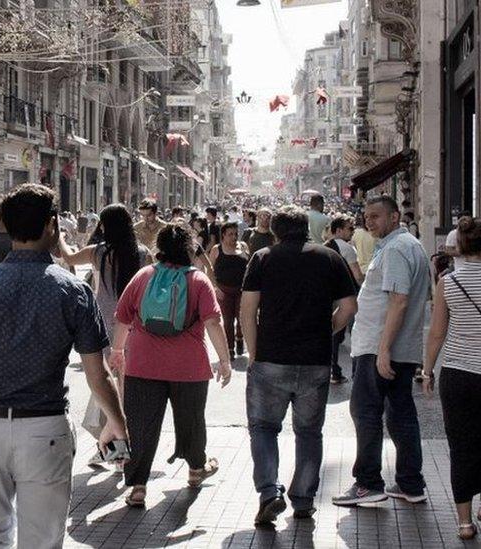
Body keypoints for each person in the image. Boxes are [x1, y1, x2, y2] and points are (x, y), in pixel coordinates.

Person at [0, 184, 127, 548]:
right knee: (42, 540)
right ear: (52, 226)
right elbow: (98, 374)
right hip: (43, 429)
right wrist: (118, 425)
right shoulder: (73, 291)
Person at [241, 205, 358, 524]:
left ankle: (269, 492)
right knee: (308, 432)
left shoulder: (263, 258)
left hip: (271, 358)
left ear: (276, 231)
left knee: (264, 428)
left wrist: (253, 352)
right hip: (315, 360)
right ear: (307, 228)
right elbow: (349, 307)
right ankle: (303, 498)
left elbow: (247, 310)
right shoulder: (330, 258)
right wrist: (327, 330)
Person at [108, 223, 231, 507]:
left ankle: (138, 487)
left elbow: (123, 317)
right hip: (189, 367)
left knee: (139, 425)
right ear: (189, 249)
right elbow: (213, 321)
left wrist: (117, 350)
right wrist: (224, 360)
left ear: (159, 248)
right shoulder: (198, 280)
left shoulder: (143, 276)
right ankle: (196, 469)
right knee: (190, 420)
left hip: (142, 364)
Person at [333, 196, 431, 507]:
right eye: (366, 217)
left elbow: (399, 300)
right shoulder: (406, 246)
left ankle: (368, 483)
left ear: (394, 216)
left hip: (380, 348)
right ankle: (410, 483)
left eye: (376, 216)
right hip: (392, 348)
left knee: (366, 412)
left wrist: (383, 349)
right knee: (400, 414)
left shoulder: (397, 249)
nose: (369, 222)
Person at [57, 204, 151, 464]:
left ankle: (114, 446)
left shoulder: (99, 253)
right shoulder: (143, 254)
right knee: (123, 387)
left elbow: (68, 257)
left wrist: (62, 236)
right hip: (135, 327)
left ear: (105, 227)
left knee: (111, 385)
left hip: (105, 328)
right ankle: (112, 446)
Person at [423, 215, 481, 539]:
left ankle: (464, 522)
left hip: (458, 374)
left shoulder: (448, 282)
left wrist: (427, 370)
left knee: (461, 446)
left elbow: (436, 333)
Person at [325, 214, 364, 384]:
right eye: (350, 228)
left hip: (328, 295)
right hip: (346, 296)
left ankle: (333, 368)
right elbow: (357, 276)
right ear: (338, 230)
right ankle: (355, 371)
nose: (352, 231)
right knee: (355, 331)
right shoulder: (348, 248)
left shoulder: (324, 247)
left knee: (333, 333)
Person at [208, 222, 250, 360]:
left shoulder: (243, 247)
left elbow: (249, 266)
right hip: (223, 290)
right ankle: (229, 349)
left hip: (242, 290)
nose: (234, 237)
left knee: (241, 318)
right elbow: (210, 270)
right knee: (227, 320)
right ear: (223, 235)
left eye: (236, 234)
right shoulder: (217, 249)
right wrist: (215, 287)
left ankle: (240, 338)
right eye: (230, 234)